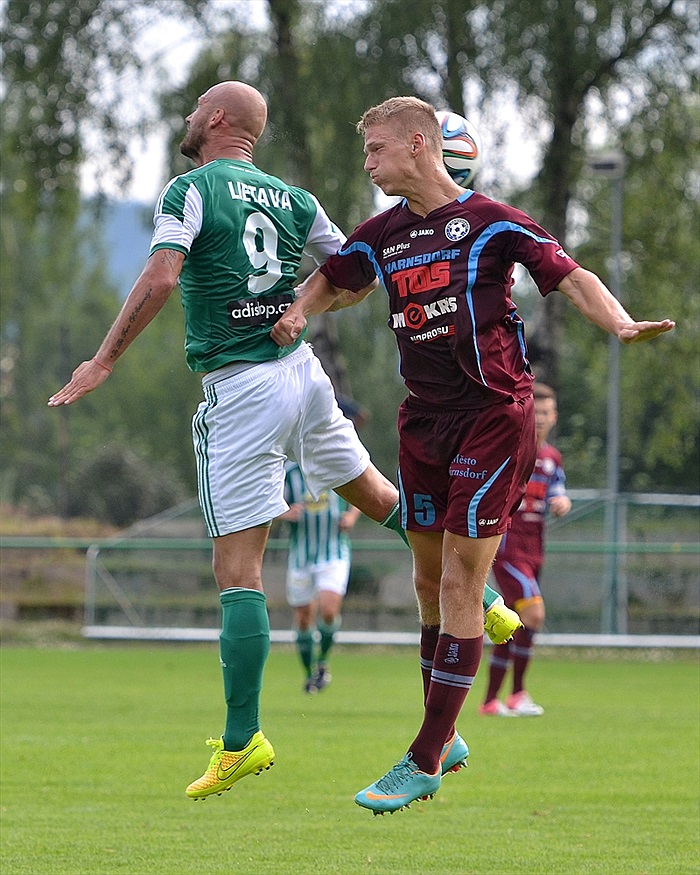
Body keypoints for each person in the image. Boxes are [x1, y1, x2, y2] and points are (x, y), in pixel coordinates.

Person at [47, 82, 517, 803]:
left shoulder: (191, 188)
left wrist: (104, 358)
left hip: (239, 384)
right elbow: (352, 274)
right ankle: (481, 592)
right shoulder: (297, 199)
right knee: (370, 486)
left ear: (218, 121)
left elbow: (164, 271)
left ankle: (242, 741)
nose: (186, 118)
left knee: (238, 566)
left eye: (194, 109)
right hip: (302, 373)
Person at [271, 95, 675, 814]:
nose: (367, 164)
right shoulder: (385, 233)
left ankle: (425, 753)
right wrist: (302, 307)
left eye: (376, 151)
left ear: (419, 143)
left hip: (493, 417)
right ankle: (445, 733)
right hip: (422, 422)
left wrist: (618, 323)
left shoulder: (491, 223)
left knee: (461, 577)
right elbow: (338, 278)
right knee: (429, 582)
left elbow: (570, 273)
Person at [480, 382, 571, 717]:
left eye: (548, 412)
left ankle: (492, 701)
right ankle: (516, 694)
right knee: (534, 614)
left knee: (516, 622)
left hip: (535, 550)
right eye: (538, 412)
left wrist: (561, 501)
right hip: (507, 549)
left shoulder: (551, 458)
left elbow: (556, 490)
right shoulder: (511, 449)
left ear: (555, 417)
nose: (542, 418)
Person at [278, 459, 361, 693]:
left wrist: (351, 518)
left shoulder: (336, 463)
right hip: (301, 556)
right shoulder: (288, 474)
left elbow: (362, 492)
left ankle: (322, 660)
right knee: (304, 618)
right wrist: (284, 513)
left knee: (328, 609)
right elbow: (267, 505)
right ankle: (309, 673)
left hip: (333, 553)